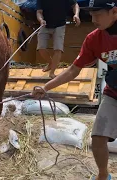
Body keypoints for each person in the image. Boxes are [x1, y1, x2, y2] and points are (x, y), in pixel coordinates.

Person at [33, 1, 117, 179]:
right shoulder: (94, 39)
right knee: (98, 137)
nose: (93, 19)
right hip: (113, 92)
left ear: (114, 12)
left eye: (98, 14)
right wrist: (46, 88)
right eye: (91, 15)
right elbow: (73, 69)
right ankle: (103, 175)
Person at [36, 0, 81, 78]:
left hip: (60, 26)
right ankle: (50, 62)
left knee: (58, 49)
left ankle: (52, 72)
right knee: (41, 48)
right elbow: (39, 12)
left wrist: (76, 15)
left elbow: (75, 5)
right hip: (45, 25)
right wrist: (41, 20)